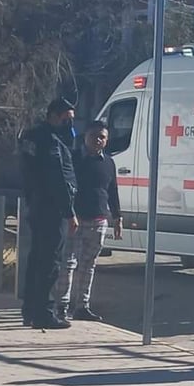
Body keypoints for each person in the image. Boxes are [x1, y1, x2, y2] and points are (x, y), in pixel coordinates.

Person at [54, 121, 122, 322]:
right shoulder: (73, 159)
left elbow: (112, 191)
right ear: (85, 137)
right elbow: (63, 188)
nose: (98, 140)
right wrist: (68, 213)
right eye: (94, 136)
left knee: (88, 264)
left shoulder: (108, 163)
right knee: (68, 264)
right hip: (75, 220)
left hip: (99, 220)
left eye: (102, 137)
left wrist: (117, 217)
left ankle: (82, 306)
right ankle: (61, 306)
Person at [20, 98, 78, 329]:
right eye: (67, 118)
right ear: (54, 115)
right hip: (52, 209)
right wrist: (69, 212)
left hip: (37, 205)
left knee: (36, 260)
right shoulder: (51, 141)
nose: (70, 124)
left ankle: (30, 310)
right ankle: (43, 313)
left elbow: (28, 175)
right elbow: (58, 179)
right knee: (50, 262)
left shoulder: (31, 137)